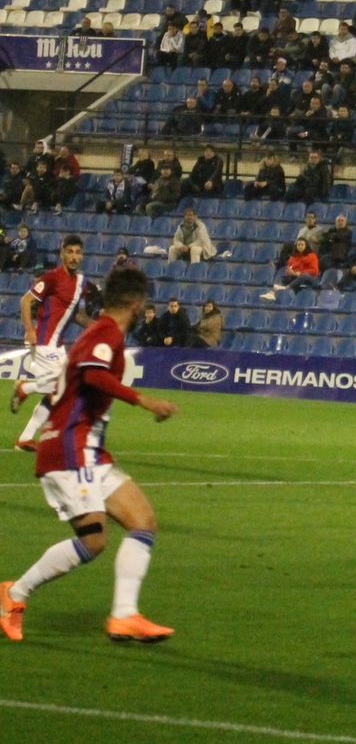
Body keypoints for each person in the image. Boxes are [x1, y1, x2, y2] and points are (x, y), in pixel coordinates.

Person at [1, 265, 179, 643]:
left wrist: (29, 388)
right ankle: (13, 594)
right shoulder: (105, 332)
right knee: (94, 540)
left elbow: (73, 377)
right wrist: (144, 400)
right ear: (136, 302)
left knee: (143, 521)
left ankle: (124, 616)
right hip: (69, 446)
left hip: (87, 449)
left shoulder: (96, 332)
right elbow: (96, 375)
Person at [7, 235, 93, 452]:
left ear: (82, 256)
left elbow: (78, 316)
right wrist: (29, 330)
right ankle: (26, 387)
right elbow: (26, 301)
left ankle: (25, 439)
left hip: (58, 345)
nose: (74, 257)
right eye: (70, 252)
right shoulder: (52, 277)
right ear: (62, 253)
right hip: (43, 341)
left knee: (58, 392)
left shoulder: (81, 283)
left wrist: (101, 326)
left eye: (78, 252)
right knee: (61, 388)